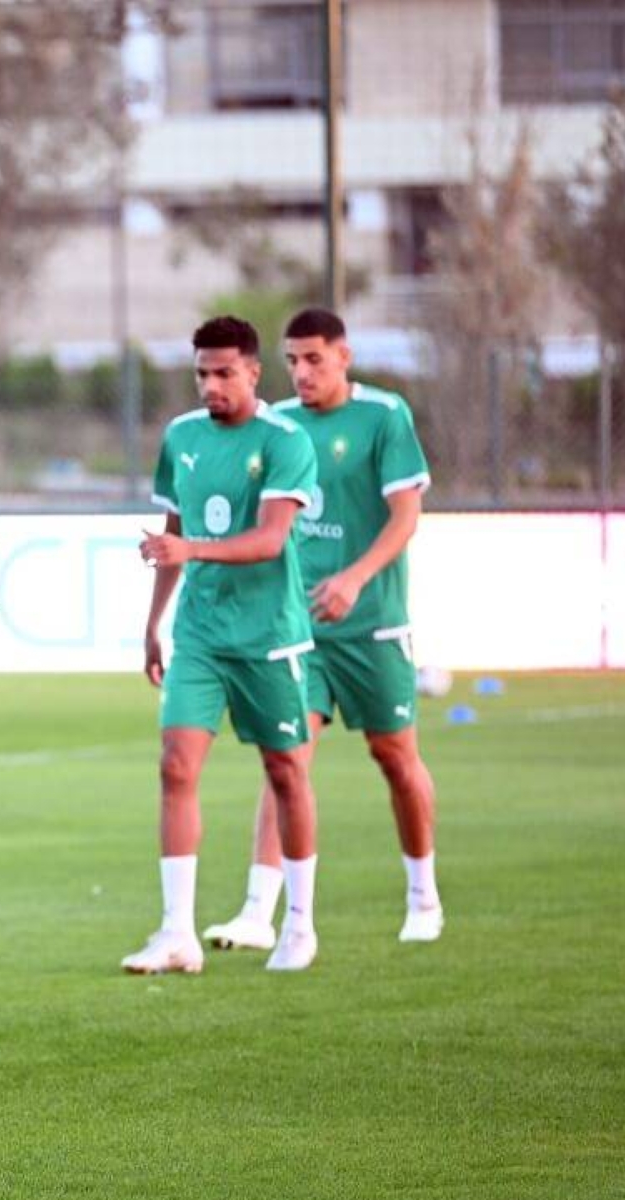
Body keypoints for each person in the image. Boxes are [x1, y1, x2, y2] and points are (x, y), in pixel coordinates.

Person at [204, 308, 443, 948]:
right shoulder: (277, 427)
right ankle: (259, 911)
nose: (302, 372)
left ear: (344, 356)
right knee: (287, 759)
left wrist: (355, 578)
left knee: (394, 757)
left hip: (372, 624)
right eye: (292, 361)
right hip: (298, 631)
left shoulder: (384, 417)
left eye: (314, 359)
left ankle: (423, 894)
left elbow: (405, 517)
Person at [126, 315, 322, 975]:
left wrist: (191, 550)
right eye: (202, 373)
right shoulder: (180, 436)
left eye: (223, 373)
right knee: (176, 766)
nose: (211, 384)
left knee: (286, 772)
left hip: (270, 638)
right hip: (200, 636)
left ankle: (297, 924)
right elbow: (171, 534)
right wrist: (155, 620)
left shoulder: (286, 440)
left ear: (253, 372)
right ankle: (176, 932)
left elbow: (270, 540)